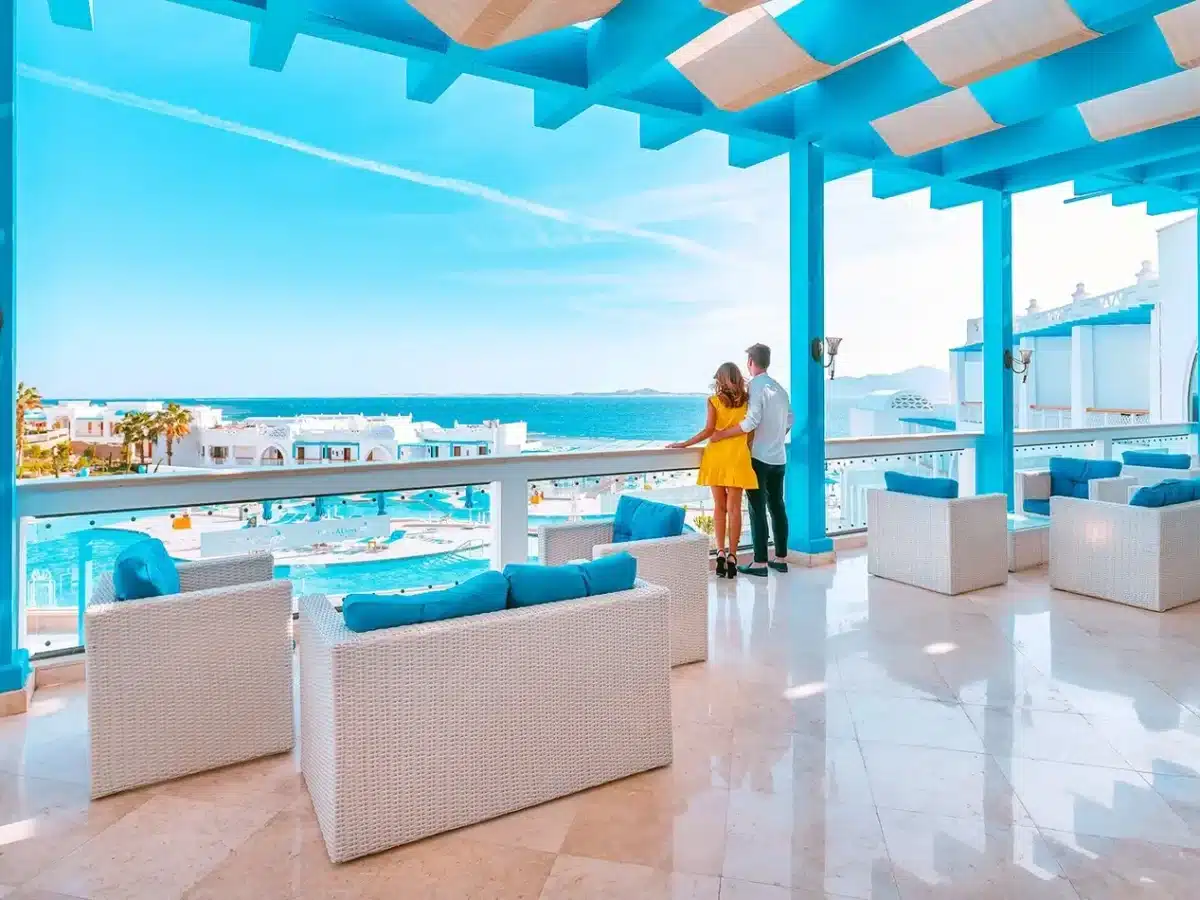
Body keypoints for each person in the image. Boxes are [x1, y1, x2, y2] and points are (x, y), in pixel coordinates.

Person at [667, 363, 758, 577]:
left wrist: (684, 444)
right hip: (737, 458)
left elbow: (708, 431)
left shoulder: (714, 401)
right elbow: (751, 430)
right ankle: (733, 556)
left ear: (721, 379)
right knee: (734, 509)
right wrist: (746, 448)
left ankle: (720, 552)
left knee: (719, 507)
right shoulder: (748, 401)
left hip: (716, 456)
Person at [709, 343, 791, 576]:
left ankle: (760, 563)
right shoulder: (780, 389)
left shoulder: (755, 386)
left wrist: (723, 434)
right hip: (779, 457)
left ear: (750, 362)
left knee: (757, 509)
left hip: (759, 457)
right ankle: (781, 559)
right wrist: (775, 437)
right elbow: (790, 420)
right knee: (777, 506)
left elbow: (751, 421)